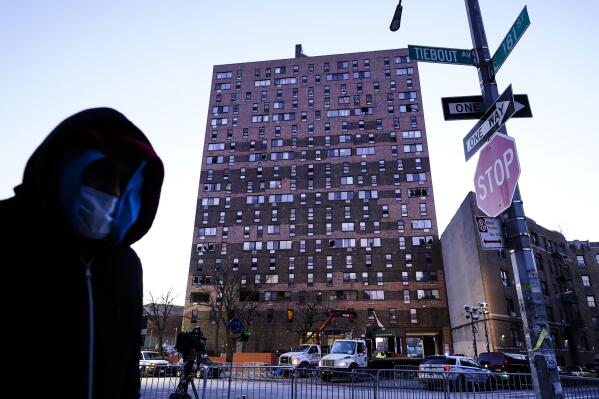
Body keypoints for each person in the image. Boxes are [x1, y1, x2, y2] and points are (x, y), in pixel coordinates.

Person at [0, 108, 164, 399]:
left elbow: (126, 370)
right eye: (100, 176)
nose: (111, 194)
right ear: (64, 168)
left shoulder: (126, 265)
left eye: (124, 184)